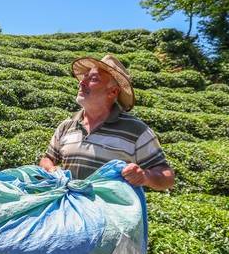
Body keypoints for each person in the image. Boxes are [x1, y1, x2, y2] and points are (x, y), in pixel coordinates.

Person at [39, 54, 174, 190]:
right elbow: (47, 158)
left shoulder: (136, 130)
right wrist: (50, 169)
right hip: (70, 209)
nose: (82, 82)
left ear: (113, 92)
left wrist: (145, 176)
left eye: (93, 79)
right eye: (84, 76)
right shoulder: (67, 125)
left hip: (109, 210)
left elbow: (167, 177)